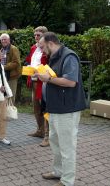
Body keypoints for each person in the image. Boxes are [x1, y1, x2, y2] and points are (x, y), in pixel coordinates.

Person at [36, 32, 86, 186]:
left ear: (51, 43)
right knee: (55, 141)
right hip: (56, 108)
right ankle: (58, 172)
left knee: (67, 146)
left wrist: (48, 79)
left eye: (43, 47)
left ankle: (67, 180)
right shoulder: (55, 56)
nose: (42, 51)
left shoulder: (69, 56)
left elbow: (71, 82)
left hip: (67, 109)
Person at [25, 26, 50, 147]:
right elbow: (30, 61)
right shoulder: (33, 48)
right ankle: (40, 130)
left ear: (45, 35)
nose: (36, 37)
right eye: (35, 34)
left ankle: (47, 135)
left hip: (44, 82)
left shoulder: (48, 48)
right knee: (36, 107)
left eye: (38, 34)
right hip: (34, 80)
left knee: (45, 108)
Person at [0, 33, 21, 103]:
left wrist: (4, 67)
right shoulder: (2, 50)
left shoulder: (13, 49)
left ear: (9, 40)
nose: (3, 41)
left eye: (5, 39)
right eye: (2, 40)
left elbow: (16, 62)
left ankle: (11, 112)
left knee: (11, 95)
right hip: (4, 76)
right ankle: (5, 112)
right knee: (5, 95)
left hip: (12, 76)